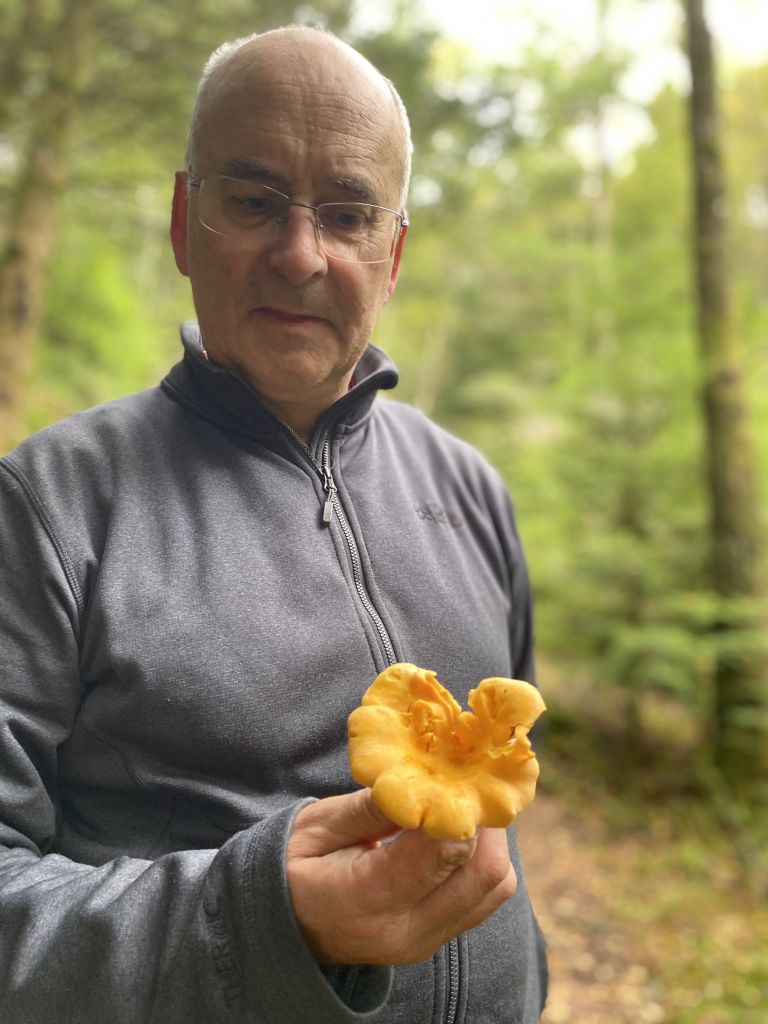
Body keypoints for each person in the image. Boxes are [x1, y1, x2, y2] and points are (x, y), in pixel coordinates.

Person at [0, 24, 547, 1024]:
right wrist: (261, 922)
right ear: (181, 222)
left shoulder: (471, 488)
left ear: (393, 256)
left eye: (347, 214)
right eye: (253, 200)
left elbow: (500, 801)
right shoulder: (49, 508)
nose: (301, 253)